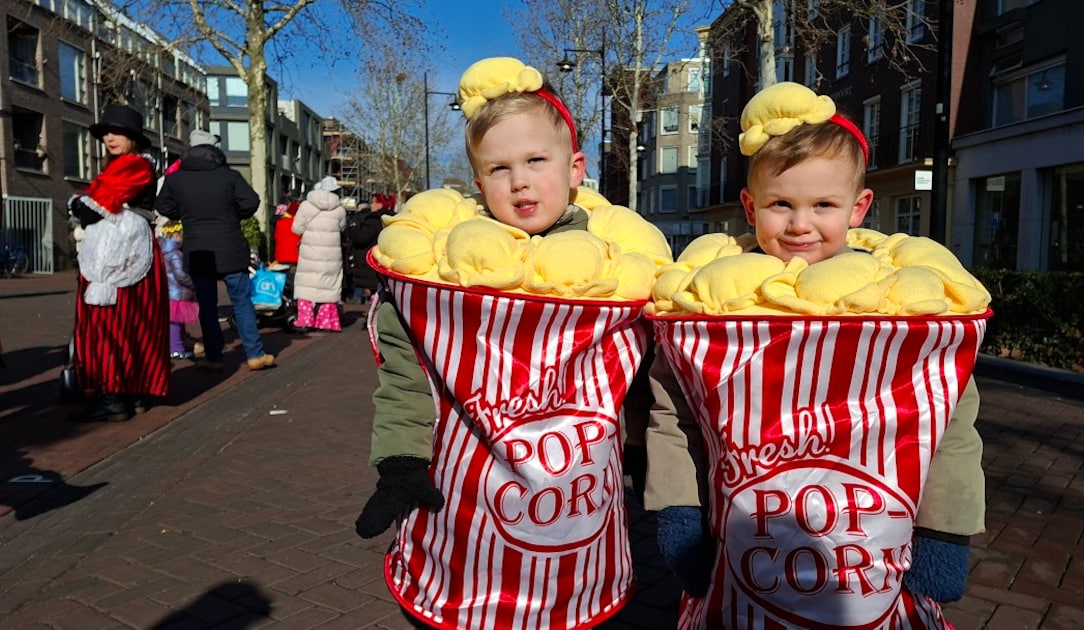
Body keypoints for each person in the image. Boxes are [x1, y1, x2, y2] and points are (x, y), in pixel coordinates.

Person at [645, 82, 986, 627]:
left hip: (872, 557)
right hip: (741, 552)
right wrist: (679, 512)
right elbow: (674, 412)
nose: (800, 224)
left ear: (859, 207)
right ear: (750, 207)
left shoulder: (905, 308)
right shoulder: (709, 302)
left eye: (823, 205)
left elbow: (947, 423)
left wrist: (945, 531)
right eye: (780, 204)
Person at [354, 57, 661, 630]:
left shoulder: (617, 265)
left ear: (574, 168)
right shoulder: (445, 276)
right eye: (499, 168)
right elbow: (405, 374)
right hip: (465, 510)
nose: (519, 181)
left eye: (535, 161)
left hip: (579, 520)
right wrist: (399, 462)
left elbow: (648, 370)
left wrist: (648, 454)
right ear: (478, 183)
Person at [67, 104, 170, 422]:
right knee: (133, 322)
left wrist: (81, 204)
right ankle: (131, 394)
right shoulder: (125, 165)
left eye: (118, 132)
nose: (109, 138)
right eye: (106, 133)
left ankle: (113, 398)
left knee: (111, 323)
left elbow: (93, 207)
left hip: (121, 254)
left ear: (133, 137)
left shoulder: (134, 165)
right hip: (125, 252)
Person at [154, 129, 275, 372]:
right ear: (216, 153)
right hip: (230, 246)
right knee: (242, 302)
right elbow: (251, 201)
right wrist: (232, 215)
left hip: (198, 249)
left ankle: (214, 357)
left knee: (207, 306)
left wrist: (185, 214)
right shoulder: (229, 176)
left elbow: (163, 206)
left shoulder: (176, 179)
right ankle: (255, 354)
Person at [291, 176, 347, 332]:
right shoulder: (340, 209)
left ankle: (305, 320)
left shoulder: (306, 206)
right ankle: (326, 321)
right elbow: (342, 228)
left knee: (306, 285)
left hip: (310, 253)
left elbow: (296, 229)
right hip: (331, 255)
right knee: (329, 286)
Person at [158, 220, 200, 360]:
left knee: (176, 321)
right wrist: (193, 284)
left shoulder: (162, 251)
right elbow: (181, 275)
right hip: (178, 292)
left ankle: (179, 343)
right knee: (175, 322)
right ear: (176, 235)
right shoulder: (175, 253)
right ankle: (176, 349)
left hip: (170, 291)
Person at [346, 192, 394, 304]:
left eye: (373, 202)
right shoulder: (391, 220)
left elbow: (361, 238)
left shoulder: (374, 220)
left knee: (370, 292)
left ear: (380, 205)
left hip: (369, 261)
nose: (371, 205)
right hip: (383, 260)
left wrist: (353, 229)